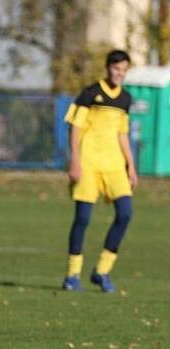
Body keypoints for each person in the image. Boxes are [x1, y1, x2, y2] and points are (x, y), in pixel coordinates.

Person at [62, 49, 137, 293]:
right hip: (89, 164)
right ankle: (72, 275)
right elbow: (75, 127)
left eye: (124, 71)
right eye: (116, 69)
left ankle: (102, 271)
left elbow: (122, 134)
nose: (120, 74)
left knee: (125, 214)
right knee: (83, 219)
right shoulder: (90, 94)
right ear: (108, 68)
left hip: (114, 166)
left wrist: (131, 165)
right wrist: (75, 161)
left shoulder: (125, 99)